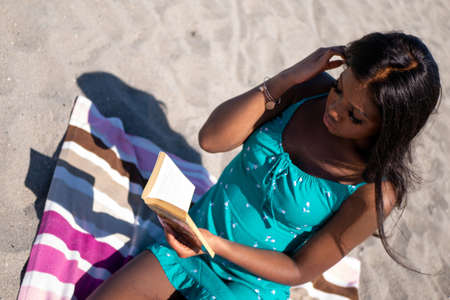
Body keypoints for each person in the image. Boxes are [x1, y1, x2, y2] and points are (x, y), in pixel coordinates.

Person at [88, 32, 441, 300]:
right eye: (340, 90)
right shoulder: (308, 92)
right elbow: (211, 139)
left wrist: (215, 245)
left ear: (387, 128)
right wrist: (287, 78)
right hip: (187, 241)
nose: (334, 110)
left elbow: (299, 269)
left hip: (251, 284)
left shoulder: (372, 191)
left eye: (355, 115)